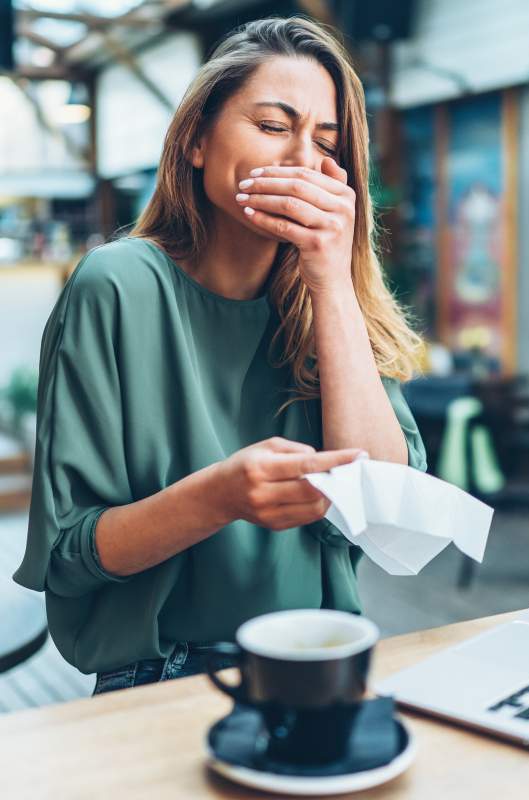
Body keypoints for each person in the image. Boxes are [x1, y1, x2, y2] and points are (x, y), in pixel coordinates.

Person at [13, 16, 427, 695]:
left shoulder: (332, 305)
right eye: (272, 127)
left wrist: (329, 280)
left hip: (317, 663)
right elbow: (68, 555)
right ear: (198, 139)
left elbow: (383, 510)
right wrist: (220, 497)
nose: (301, 159)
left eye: (326, 143)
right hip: (155, 678)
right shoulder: (116, 285)